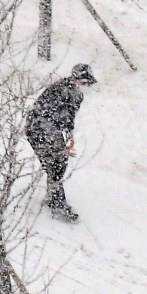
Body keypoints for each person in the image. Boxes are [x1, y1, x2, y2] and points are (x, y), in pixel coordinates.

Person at [26, 64, 96, 222]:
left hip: (52, 131)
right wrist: (57, 142)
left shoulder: (77, 95)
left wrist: (69, 136)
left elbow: (69, 117)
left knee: (58, 164)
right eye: (84, 82)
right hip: (38, 128)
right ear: (76, 79)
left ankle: (53, 198)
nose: (85, 87)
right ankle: (56, 202)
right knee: (54, 163)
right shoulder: (59, 90)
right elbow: (46, 114)